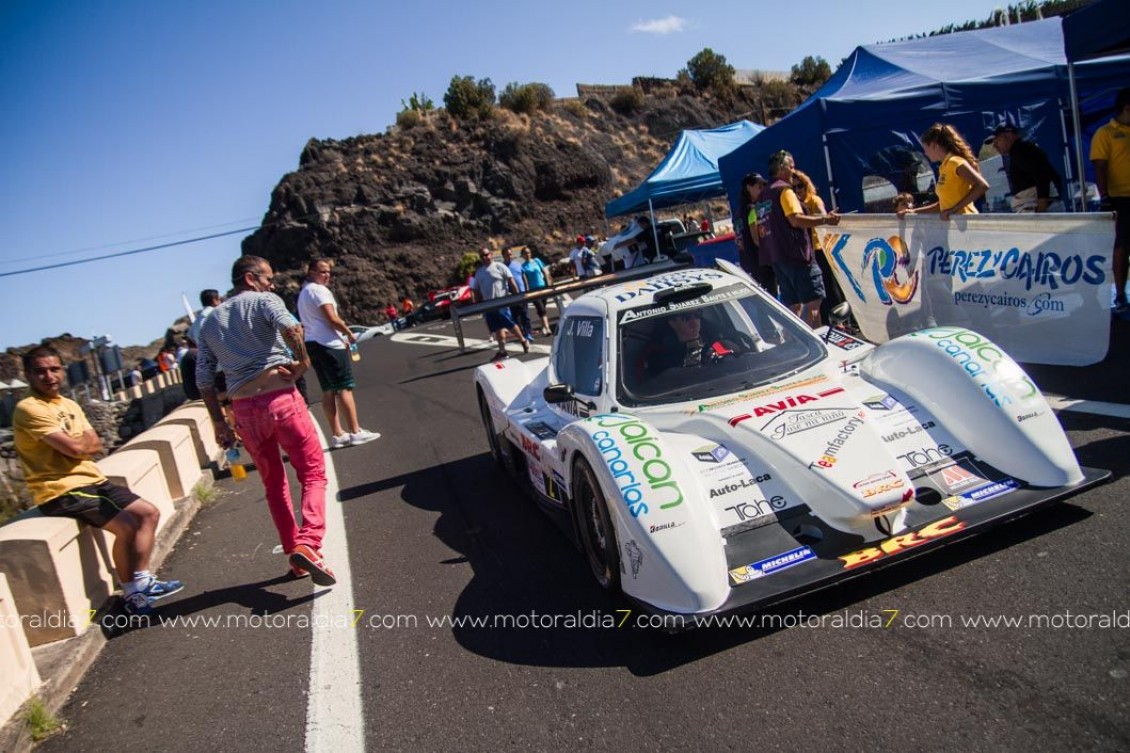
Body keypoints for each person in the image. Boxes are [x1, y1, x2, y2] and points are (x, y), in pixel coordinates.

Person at [196, 255, 337, 586]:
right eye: (267, 278)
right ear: (249, 279)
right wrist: (302, 361)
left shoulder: (209, 323)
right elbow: (292, 327)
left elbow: (204, 377)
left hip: (244, 410)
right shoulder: (264, 301)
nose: (272, 284)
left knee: (274, 485)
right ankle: (309, 542)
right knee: (313, 473)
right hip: (281, 400)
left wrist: (219, 422)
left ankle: (296, 556)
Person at [13, 346, 184, 616]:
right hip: (60, 489)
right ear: (29, 375)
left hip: (92, 480)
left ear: (62, 371)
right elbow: (78, 449)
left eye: (54, 369)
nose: (49, 376)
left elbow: (94, 444)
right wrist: (79, 445)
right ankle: (132, 594)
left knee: (149, 513)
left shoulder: (68, 405)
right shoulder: (29, 408)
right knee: (127, 526)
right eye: (40, 371)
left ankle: (142, 580)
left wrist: (79, 444)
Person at [297, 258, 381, 449]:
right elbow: (332, 319)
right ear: (310, 272)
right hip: (328, 344)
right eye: (322, 271)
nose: (326, 275)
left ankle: (337, 434)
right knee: (344, 387)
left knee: (328, 389)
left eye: (328, 272)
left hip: (312, 343)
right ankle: (355, 431)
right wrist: (349, 333)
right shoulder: (319, 291)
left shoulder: (303, 293)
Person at [760, 150, 840, 328]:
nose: (794, 171)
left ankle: (795, 341)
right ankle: (812, 343)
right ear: (782, 168)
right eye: (792, 167)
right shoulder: (784, 191)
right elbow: (795, 220)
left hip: (776, 258)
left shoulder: (763, 195)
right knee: (813, 303)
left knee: (793, 306)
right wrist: (825, 219)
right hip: (796, 256)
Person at [1091, 87, 1130, 313]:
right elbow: (1100, 166)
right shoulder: (1105, 133)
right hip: (1119, 198)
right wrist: (1104, 195)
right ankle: (1121, 293)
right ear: (1126, 108)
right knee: (1120, 247)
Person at [900, 123, 989, 219]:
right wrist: (913, 211)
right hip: (955, 225)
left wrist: (954, 209)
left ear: (934, 145)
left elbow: (982, 185)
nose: (925, 153)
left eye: (926, 149)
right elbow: (942, 206)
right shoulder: (943, 167)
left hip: (966, 220)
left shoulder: (955, 162)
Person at [793, 169, 845, 325]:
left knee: (829, 286)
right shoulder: (794, 205)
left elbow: (824, 216)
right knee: (817, 291)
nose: (798, 190)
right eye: (794, 188)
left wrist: (821, 217)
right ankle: (827, 323)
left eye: (800, 186)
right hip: (806, 252)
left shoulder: (813, 200)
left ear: (806, 185)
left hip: (819, 248)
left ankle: (840, 323)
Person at [639, 309, 745, 379]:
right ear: (672, 323)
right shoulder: (660, 358)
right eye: (686, 318)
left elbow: (745, 363)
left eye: (697, 316)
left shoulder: (721, 344)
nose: (694, 322)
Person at [985, 124, 1064, 213]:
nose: (995, 146)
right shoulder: (1020, 150)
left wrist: (1041, 206)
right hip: (1036, 205)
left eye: (997, 141)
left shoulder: (1020, 150)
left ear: (1009, 135)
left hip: (1035, 207)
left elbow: (1041, 175)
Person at [470, 246, 528, 361]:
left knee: (510, 324)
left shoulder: (500, 266)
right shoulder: (479, 273)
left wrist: (517, 296)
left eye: (486, 255)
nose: (485, 257)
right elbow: (476, 289)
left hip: (501, 302)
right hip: (488, 305)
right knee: (497, 329)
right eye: (482, 256)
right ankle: (502, 352)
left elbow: (511, 281)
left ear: (491, 254)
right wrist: (476, 303)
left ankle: (523, 340)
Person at [735, 172, 777, 297]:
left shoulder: (738, 212)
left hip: (747, 264)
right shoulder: (753, 210)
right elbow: (757, 239)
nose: (762, 189)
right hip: (761, 262)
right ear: (748, 187)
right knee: (771, 299)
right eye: (759, 186)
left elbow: (738, 239)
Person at [501, 247, 535, 341]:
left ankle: (528, 333)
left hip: (522, 294)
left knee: (525, 315)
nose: (509, 256)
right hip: (510, 296)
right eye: (507, 255)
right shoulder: (502, 267)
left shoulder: (517, 264)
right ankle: (521, 334)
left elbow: (524, 277)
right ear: (503, 256)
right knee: (515, 317)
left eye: (510, 254)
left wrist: (527, 289)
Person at [519, 247, 554, 336]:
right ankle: (547, 328)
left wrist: (548, 284)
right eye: (525, 253)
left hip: (542, 287)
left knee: (543, 308)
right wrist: (526, 291)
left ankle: (542, 327)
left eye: (529, 252)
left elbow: (545, 272)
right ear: (522, 255)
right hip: (533, 290)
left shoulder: (537, 261)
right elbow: (525, 280)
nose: (527, 254)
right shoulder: (523, 267)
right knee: (541, 309)